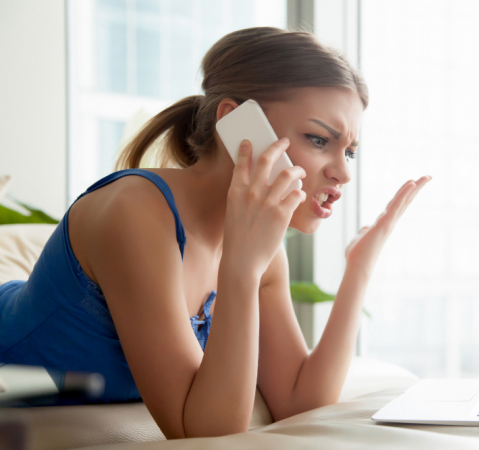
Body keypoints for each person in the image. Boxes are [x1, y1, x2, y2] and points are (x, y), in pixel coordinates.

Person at [0, 27, 431, 438]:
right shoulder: (135, 213)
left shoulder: (263, 244)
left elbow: (300, 402)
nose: (342, 173)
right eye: (319, 140)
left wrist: (358, 269)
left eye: (349, 151)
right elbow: (203, 433)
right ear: (237, 125)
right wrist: (240, 269)